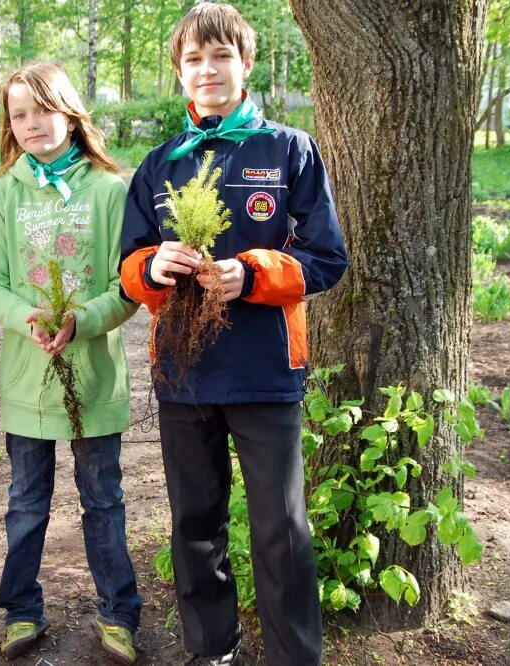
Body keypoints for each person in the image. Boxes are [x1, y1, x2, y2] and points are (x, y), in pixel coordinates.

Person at [119, 4, 348, 665]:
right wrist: (154, 269)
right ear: (180, 74)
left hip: (266, 371)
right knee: (194, 524)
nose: (207, 69)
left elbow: (326, 258)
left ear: (246, 65)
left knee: (281, 529)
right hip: (184, 373)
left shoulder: (289, 150)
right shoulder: (160, 164)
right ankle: (211, 649)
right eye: (193, 59)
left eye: (220, 56)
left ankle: (293, 655)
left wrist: (250, 275)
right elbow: (130, 267)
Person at [0, 62, 142, 664]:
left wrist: (81, 321)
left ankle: (119, 613)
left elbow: (130, 286)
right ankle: (21, 609)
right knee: (25, 501)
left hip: (95, 378)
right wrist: (27, 319)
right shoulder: (2, 194)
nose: (30, 124)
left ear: (70, 112)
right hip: (28, 381)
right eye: (18, 115)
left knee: (103, 498)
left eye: (42, 110)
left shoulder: (110, 191)